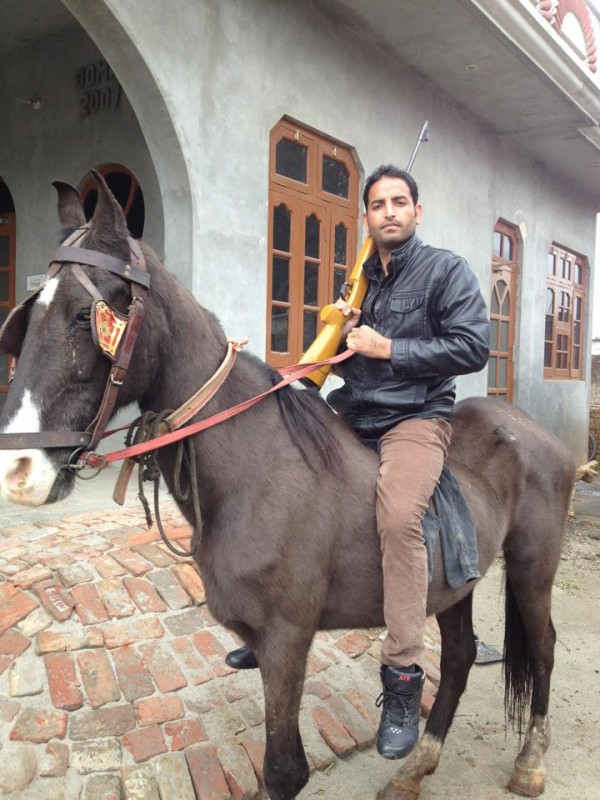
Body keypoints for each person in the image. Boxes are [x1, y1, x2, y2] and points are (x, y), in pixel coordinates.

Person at [225, 165, 490, 760]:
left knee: (398, 520)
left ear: (417, 212)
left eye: (400, 202)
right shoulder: (364, 279)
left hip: (414, 417)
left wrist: (389, 347)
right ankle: (267, 626)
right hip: (353, 408)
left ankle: (401, 679)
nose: (389, 212)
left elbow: (473, 345)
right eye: (378, 204)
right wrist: (337, 346)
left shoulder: (446, 270)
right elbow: (350, 357)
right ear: (366, 218)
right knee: (278, 474)